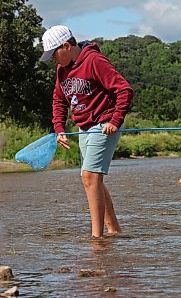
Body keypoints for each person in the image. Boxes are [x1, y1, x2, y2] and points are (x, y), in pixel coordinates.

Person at [40, 25, 134, 238]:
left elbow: (124, 90)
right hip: (84, 128)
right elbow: (58, 99)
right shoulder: (61, 69)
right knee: (92, 179)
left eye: (53, 54)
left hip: (104, 125)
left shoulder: (94, 61)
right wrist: (59, 128)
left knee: (89, 177)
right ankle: (114, 230)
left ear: (66, 46)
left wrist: (115, 121)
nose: (52, 60)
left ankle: (96, 239)